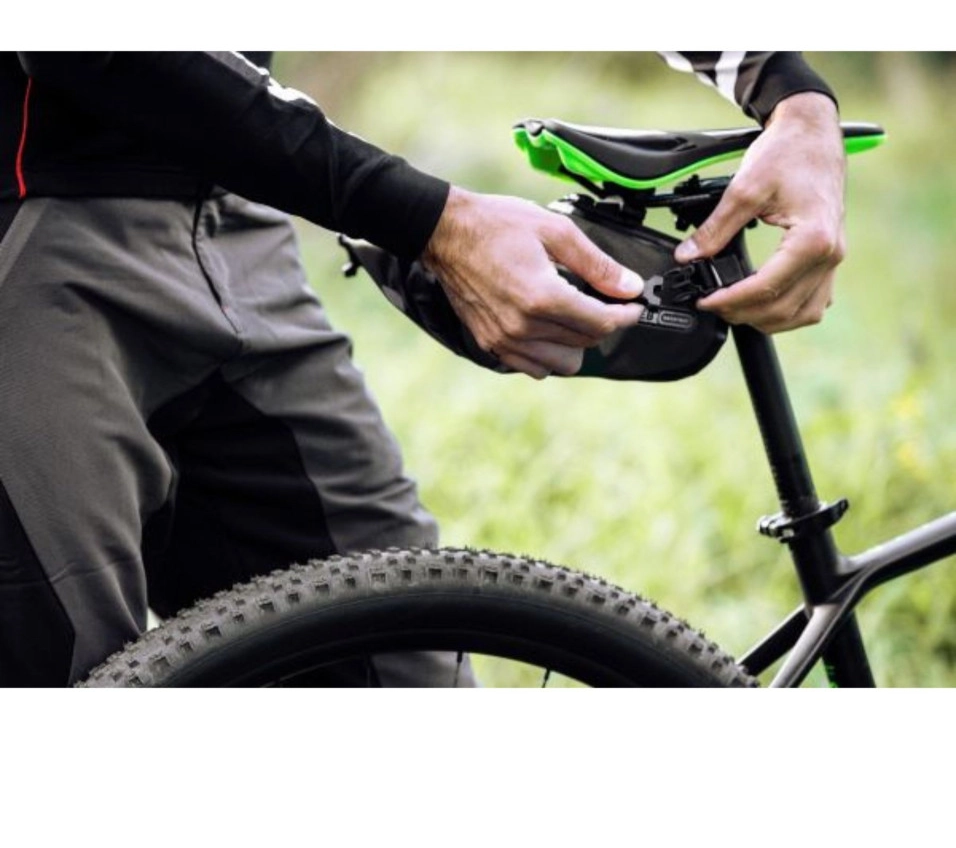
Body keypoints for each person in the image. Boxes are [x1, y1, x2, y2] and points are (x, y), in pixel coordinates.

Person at [0, 51, 843, 686]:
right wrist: (433, 221)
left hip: (233, 208)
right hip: (30, 227)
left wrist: (790, 95)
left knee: (402, 663)